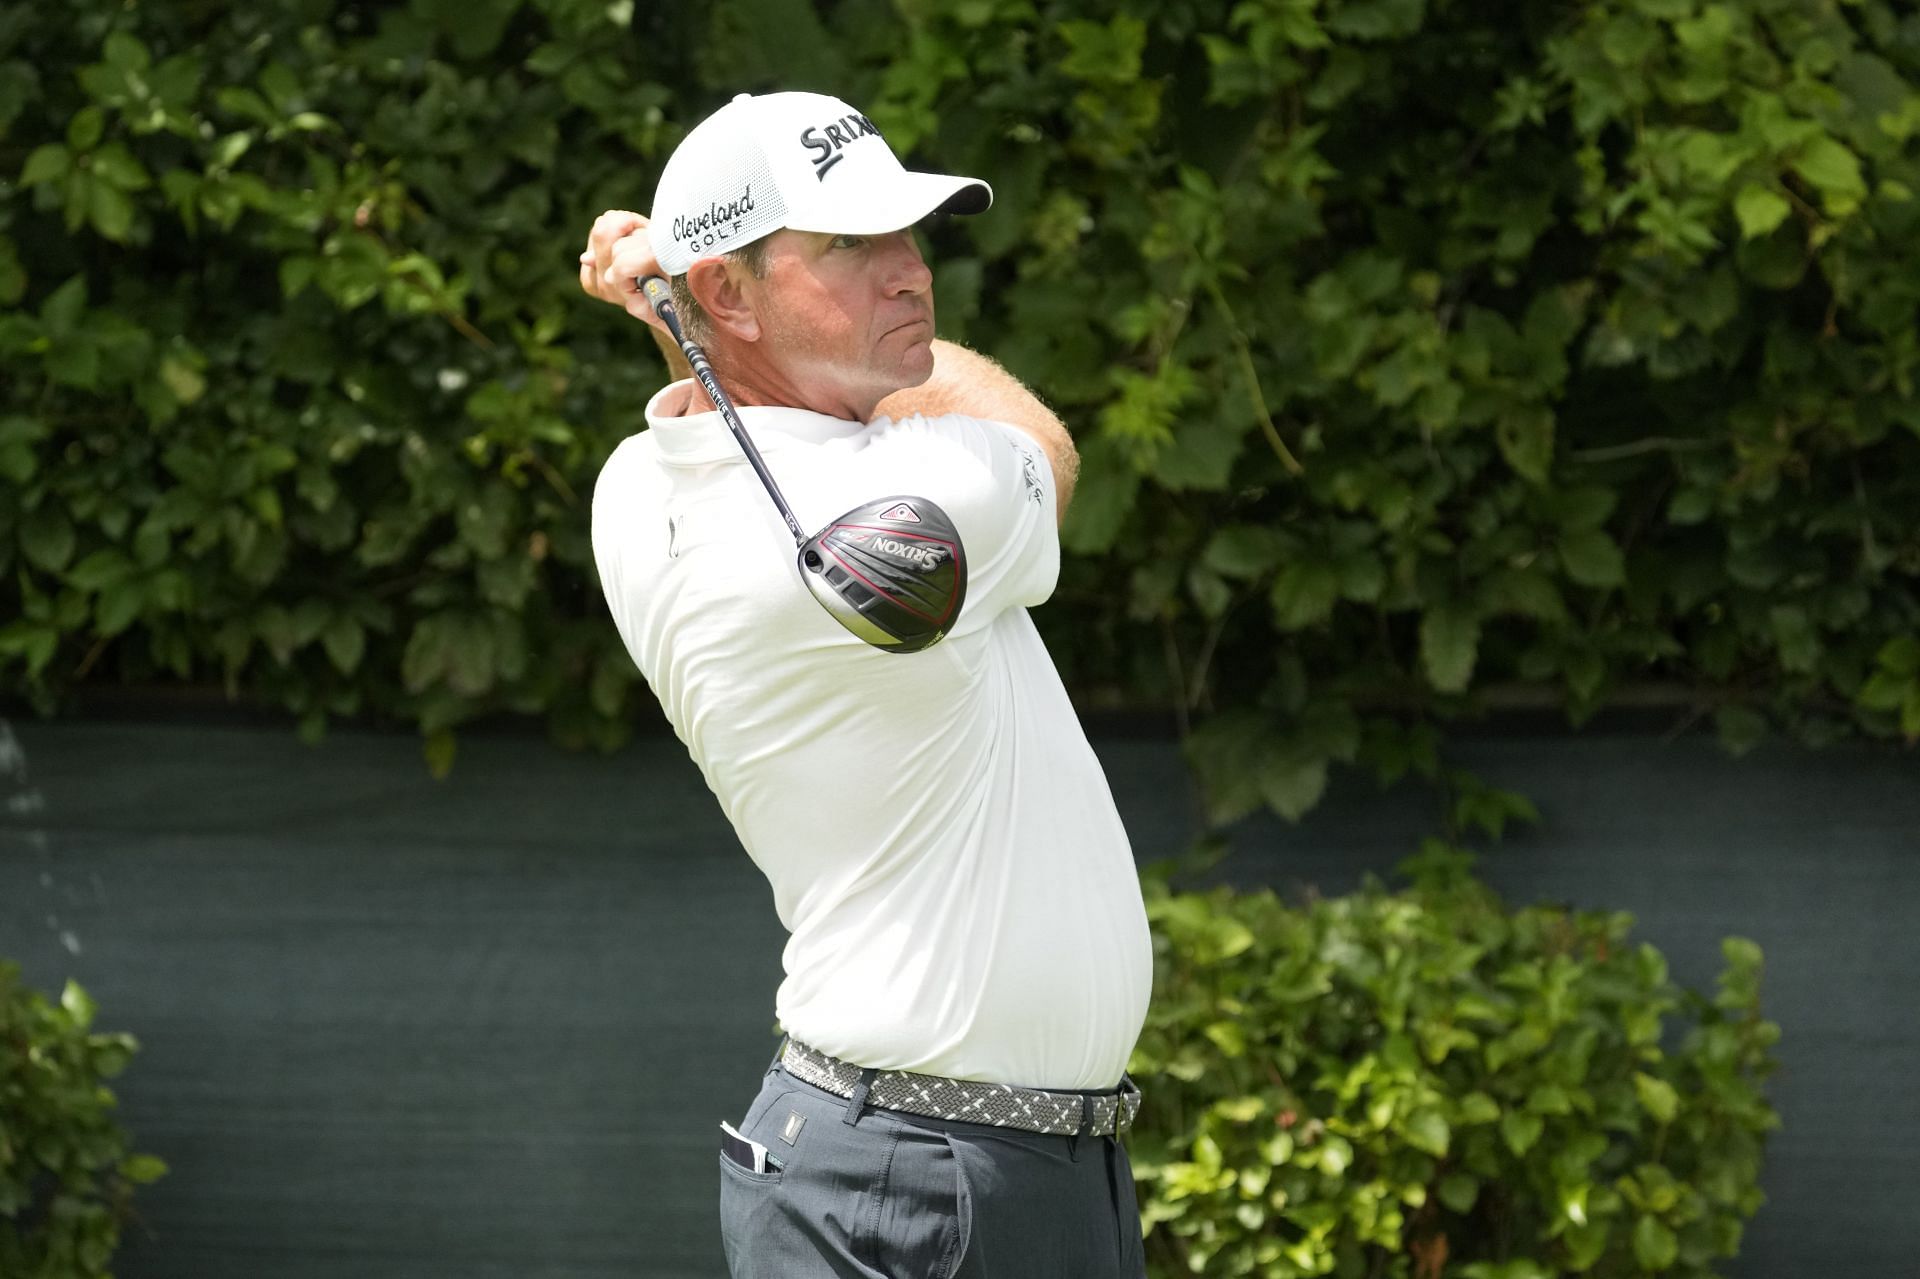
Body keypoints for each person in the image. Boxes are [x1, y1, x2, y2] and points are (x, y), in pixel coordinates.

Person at [577, 90, 1152, 1279]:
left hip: (927, 1159)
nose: (911, 275)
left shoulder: (636, 489)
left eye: (909, 235)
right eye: (850, 246)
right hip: (927, 1178)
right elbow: (1042, 446)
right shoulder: (903, 508)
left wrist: (682, 305)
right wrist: (680, 295)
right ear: (731, 292)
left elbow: (735, 405)